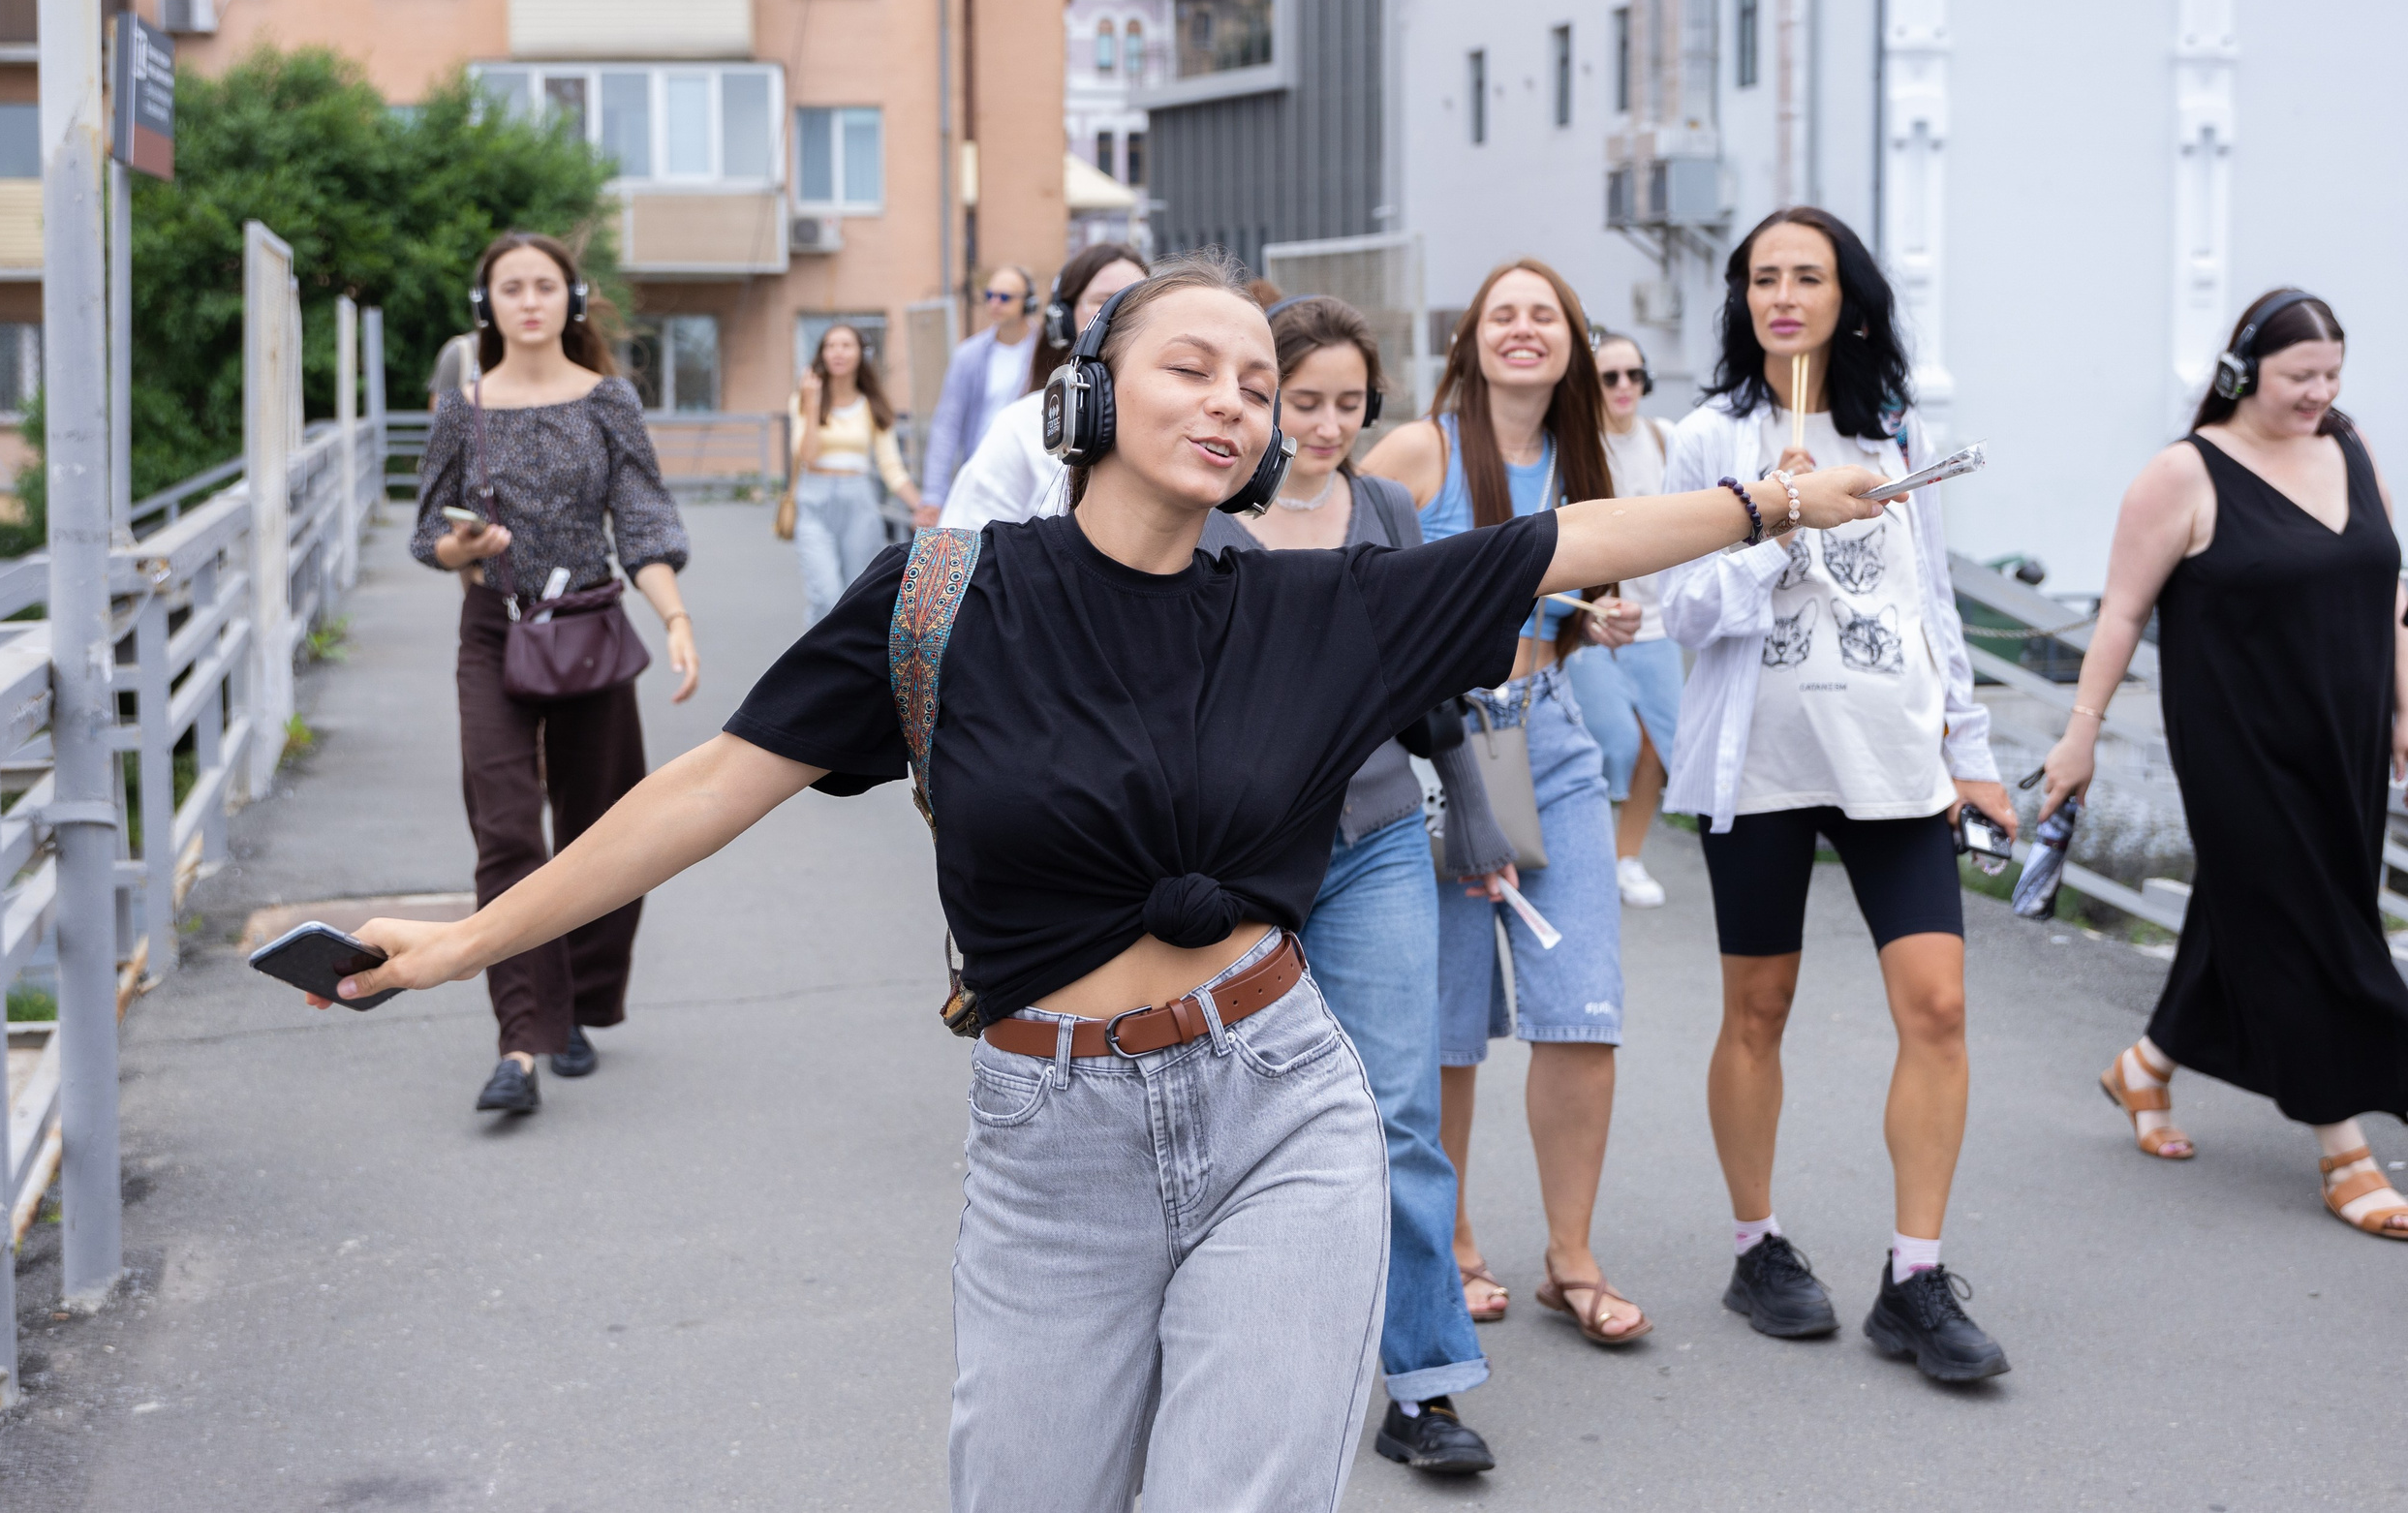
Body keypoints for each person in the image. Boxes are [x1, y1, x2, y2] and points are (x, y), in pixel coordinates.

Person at [333, 250, 1888, 1509]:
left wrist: (1777, 501)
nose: (1230, 402)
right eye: (1190, 365)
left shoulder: (1316, 607)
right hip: (1047, 1135)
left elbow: (1562, 539)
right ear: (1092, 393)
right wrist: (475, 940)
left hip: (1281, 1102)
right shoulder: (945, 597)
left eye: (1257, 386)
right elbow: (708, 786)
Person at [1661, 205, 2015, 1382]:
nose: (1783, 296)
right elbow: (1683, 612)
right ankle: (1755, 1246)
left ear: (1847, 301)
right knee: (1756, 1012)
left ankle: (1914, 1276)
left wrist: (1973, 753)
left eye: (1807, 277)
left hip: (1893, 757)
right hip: (1754, 762)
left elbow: (1933, 609)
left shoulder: (1898, 434)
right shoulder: (1708, 438)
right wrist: (1775, 515)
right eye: (1763, 277)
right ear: (1741, 299)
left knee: (1940, 1008)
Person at [1197, 295, 1514, 1475]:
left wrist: (1472, 818)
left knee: (1397, 1114)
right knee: (1239, 1119)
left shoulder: (1384, 506)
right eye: (1300, 399)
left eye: (1347, 403)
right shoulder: (1205, 512)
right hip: (1234, 862)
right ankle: (1246, 1361)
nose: (1324, 426)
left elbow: (1430, 685)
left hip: (1379, 836)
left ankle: (1424, 1382)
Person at [2043, 288, 2408, 1238]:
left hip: (2347, 734)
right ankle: (2344, 1147)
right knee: (2313, 926)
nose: (2317, 393)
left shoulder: (2351, 446)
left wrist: (2404, 706)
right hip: (2238, 743)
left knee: (2271, 905)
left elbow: (2388, 590)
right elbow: (2120, 612)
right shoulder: (2185, 473)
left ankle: (2146, 1068)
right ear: (2243, 372)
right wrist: (2079, 731)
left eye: (2331, 375)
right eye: (2298, 376)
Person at [1363, 259, 1651, 1347]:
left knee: (1582, 1010)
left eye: (1545, 315)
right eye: (1503, 314)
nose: (1523, 330)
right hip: (1435, 752)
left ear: (1572, 341)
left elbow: (1592, 595)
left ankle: (1569, 1258)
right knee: (1439, 1024)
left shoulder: (1588, 466)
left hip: (1553, 736)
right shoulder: (1417, 452)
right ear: (1470, 338)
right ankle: (1458, 1241)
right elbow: (1350, 589)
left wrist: (1605, 618)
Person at [410, 231, 698, 1116]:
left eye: (545, 285)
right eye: (511, 287)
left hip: (589, 630)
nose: (528, 300)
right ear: (485, 306)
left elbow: (642, 521)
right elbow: (427, 532)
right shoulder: (464, 408)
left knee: (602, 830)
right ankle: (521, 1040)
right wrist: (459, 547)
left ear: (570, 302)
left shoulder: (610, 401)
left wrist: (676, 616)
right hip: (494, 630)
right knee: (505, 831)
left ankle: (578, 999)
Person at [1564, 331, 1684, 909]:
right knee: (1607, 739)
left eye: (1633, 375)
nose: (1623, 387)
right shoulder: (1574, 445)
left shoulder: (1666, 439)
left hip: (1657, 619)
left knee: (1658, 746)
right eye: (1609, 377)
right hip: (1595, 619)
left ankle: (1626, 857)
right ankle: (1588, 853)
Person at [939, 244, 1147, 533]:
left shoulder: (1182, 424)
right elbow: (952, 554)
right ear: (1062, 319)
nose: (1121, 313)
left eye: (1137, 301)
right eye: (1104, 300)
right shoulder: (1020, 425)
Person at [787, 324, 922, 625]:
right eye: (830, 345)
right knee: (824, 595)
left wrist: (920, 506)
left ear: (860, 353)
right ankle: (815, 667)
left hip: (858, 502)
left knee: (853, 596)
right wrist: (811, 405)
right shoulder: (804, 399)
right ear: (822, 353)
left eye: (846, 345)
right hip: (813, 499)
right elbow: (806, 455)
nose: (838, 352)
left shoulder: (871, 405)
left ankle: (845, 669)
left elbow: (891, 466)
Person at [916, 265, 1039, 524]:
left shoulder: (1046, 352)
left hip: (1033, 479)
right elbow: (946, 427)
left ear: (1028, 303)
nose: (995, 303)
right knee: (965, 559)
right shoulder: (968, 355)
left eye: (1005, 297)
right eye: (990, 295)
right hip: (980, 475)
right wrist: (933, 497)